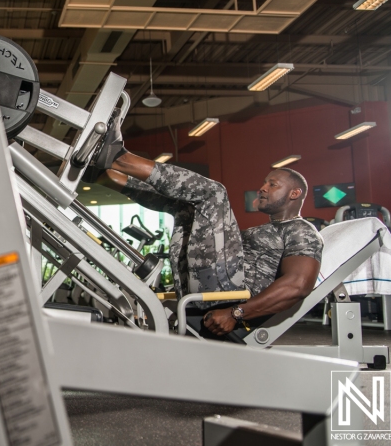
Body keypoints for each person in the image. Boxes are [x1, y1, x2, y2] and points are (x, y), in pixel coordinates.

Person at [88, 113, 323, 338]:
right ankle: (106, 177)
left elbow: (298, 285)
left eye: (273, 184)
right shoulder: (264, 229)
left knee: (214, 193)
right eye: (264, 183)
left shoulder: (302, 231)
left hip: (233, 298)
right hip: (209, 287)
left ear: (295, 193)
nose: (263, 188)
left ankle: (119, 157)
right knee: (187, 207)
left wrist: (236, 313)